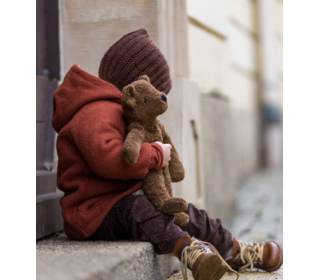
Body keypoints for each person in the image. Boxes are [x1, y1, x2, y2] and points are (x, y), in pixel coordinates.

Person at [52, 29, 283, 280]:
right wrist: (154, 154)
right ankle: (190, 251)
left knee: (182, 210)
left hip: (121, 199)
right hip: (92, 214)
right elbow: (109, 160)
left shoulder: (119, 112)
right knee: (140, 208)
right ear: (135, 87)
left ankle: (234, 249)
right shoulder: (94, 113)